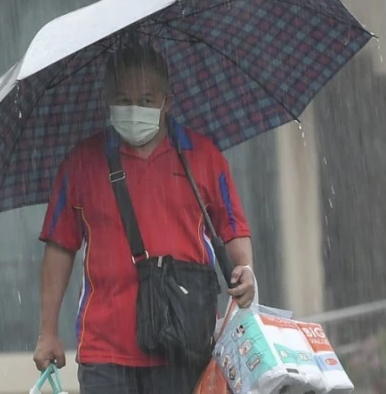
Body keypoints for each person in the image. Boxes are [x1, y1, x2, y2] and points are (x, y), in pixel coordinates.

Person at [32, 46, 256, 393]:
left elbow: (233, 229)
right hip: (105, 352)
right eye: (123, 99)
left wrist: (245, 271)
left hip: (185, 344)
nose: (134, 108)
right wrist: (47, 333)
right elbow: (59, 248)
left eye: (146, 98)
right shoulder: (80, 164)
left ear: (168, 101)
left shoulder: (204, 157)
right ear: (107, 101)